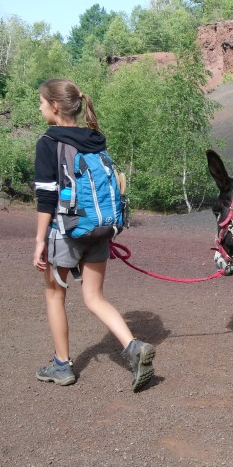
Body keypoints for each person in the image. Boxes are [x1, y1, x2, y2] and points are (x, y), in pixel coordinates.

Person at [32, 78, 155, 392]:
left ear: (55, 106)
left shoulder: (49, 142)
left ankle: (62, 366)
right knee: (95, 298)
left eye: (42, 102)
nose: (40, 107)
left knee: (55, 296)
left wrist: (39, 242)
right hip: (100, 230)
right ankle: (133, 347)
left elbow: (46, 198)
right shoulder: (96, 138)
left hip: (65, 231)